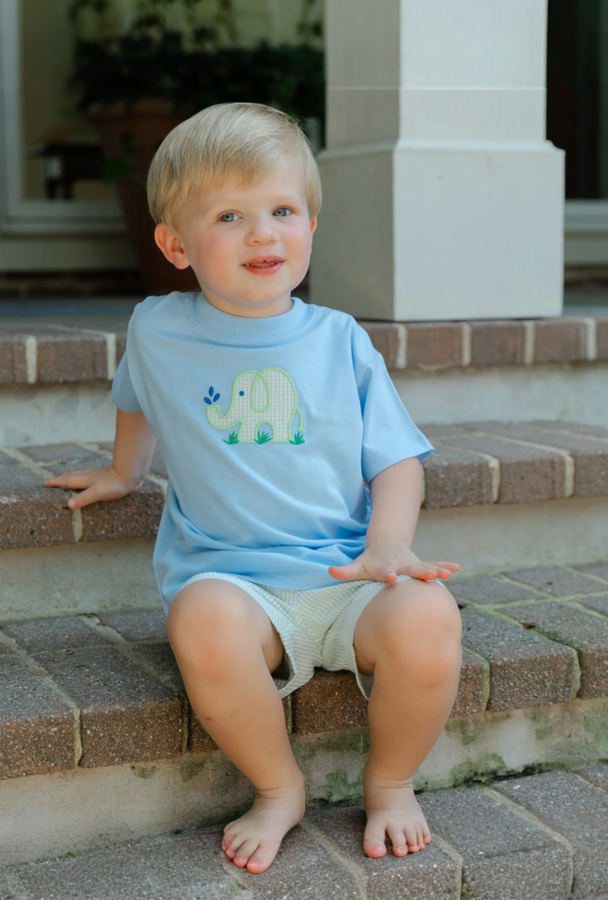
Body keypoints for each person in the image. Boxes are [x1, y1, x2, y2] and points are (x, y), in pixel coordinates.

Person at [44, 102, 463, 876]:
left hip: (348, 576)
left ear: (310, 223)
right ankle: (278, 789)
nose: (263, 233)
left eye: (282, 210)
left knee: (430, 617)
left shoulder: (340, 339)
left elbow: (397, 460)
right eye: (230, 215)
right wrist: (124, 472)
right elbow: (138, 396)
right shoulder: (157, 329)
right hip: (237, 584)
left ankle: (392, 781)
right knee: (201, 622)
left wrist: (390, 545)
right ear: (176, 244)